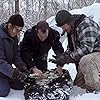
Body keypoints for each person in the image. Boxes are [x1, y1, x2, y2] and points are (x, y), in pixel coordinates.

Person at [50, 10, 100, 92]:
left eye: (63, 27)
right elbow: (71, 49)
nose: (63, 30)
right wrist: (61, 60)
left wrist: (68, 58)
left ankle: (94, 93)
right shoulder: (72, 30)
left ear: (68, 22)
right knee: (78, 86)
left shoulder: (86, 25)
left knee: (86, 60)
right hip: (90, 59)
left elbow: (87, 48)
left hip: (96, 56)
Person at [0, 14, 30, 97]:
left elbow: (16, 55)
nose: (17, 32)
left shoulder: (14, 38)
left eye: (20, 30)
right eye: (17, 30)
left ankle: (6, 79)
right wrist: (14, 73)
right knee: (4, 91)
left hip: (5, 70)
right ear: (10, 25)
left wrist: (21, 66)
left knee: (21, 85)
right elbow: (0, 62)